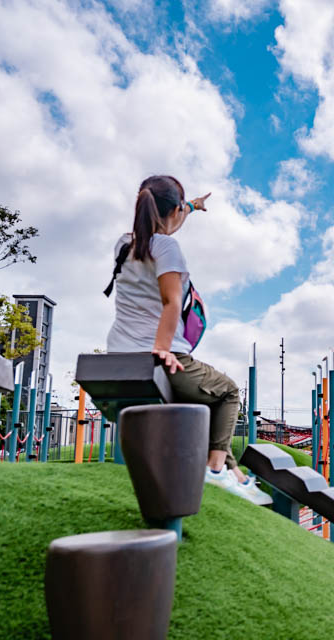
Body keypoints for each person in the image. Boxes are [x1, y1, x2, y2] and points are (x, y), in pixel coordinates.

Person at [106, 175, 270, 505]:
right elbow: (171, 301)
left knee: (203, 409)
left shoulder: (124, 244)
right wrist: (163, 350)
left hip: (121, 353)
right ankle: (214, 472)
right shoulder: (166, 247)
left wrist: (192, 205)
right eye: (181, 209)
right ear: (172, 211)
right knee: (227, 392)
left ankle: (233, 474)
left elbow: (163, 217)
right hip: (161, 355)